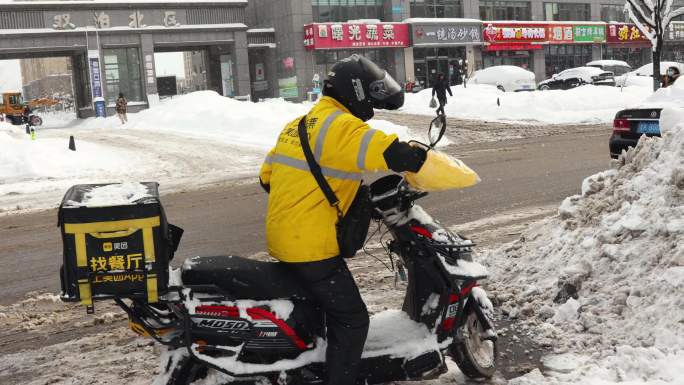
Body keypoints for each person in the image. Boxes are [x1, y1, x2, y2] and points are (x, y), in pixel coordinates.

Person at [258, 54, 478, 385]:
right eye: (371, 95)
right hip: (309, 247)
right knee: (353, 319)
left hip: (284, 236)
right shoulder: (341, 126)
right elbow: (392, 153)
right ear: (355, 91)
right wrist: (447, 171)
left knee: (330, 308)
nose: (372, 105)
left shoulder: (300, 125)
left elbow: (267, 178)